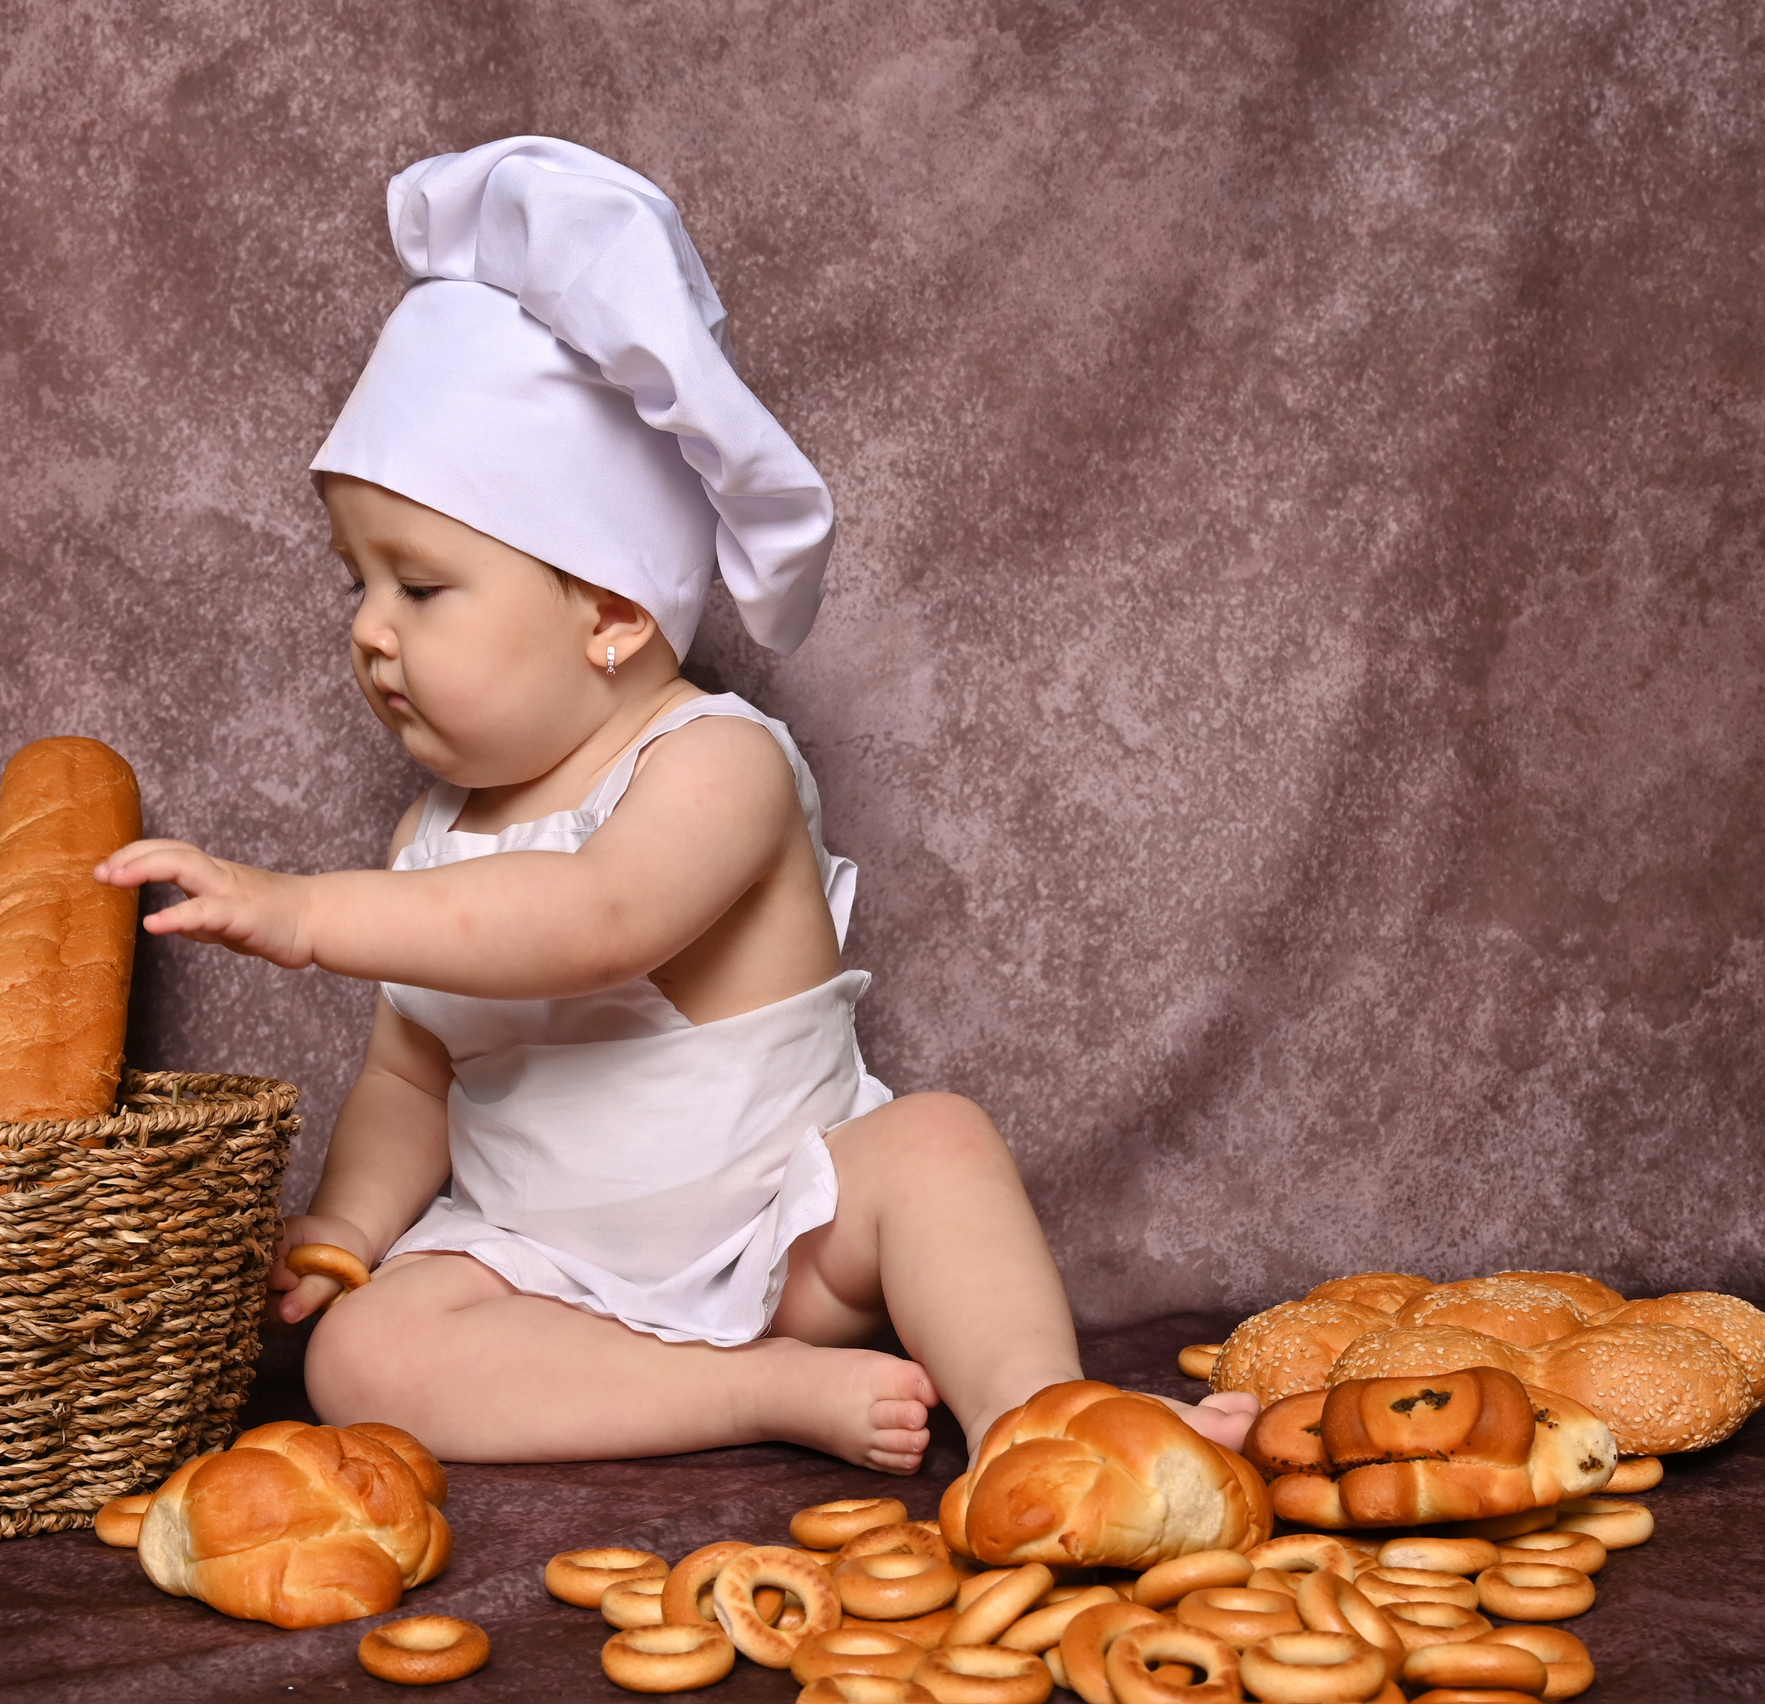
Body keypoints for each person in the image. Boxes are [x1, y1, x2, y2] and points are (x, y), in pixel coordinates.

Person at [96, 138, 1256, 1472]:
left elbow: (594, 919)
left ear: (609, 613)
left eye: (418, 586)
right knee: (359, 1361)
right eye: (352, 583)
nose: (366, 629)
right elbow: (409, 1077)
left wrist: (305, 915)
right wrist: (347, 1235)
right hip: (542, 1270)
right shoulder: (430, 842)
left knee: (933, 1148)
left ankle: (1039, 1415)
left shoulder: (713, 762)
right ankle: (752, 1395)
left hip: (785, 1238)